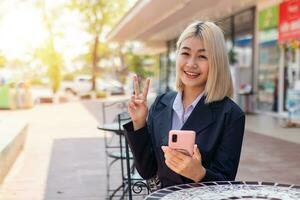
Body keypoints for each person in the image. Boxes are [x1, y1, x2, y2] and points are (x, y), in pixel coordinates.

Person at [123, 21, 245, 189]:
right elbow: (147, 171)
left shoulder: (231, 114)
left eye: (202, 56)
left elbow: (225, 184)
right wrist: (139, 123)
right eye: (185, 53)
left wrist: (199, 173)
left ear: (216, 62)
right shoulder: (161, 103)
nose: (191, 63)